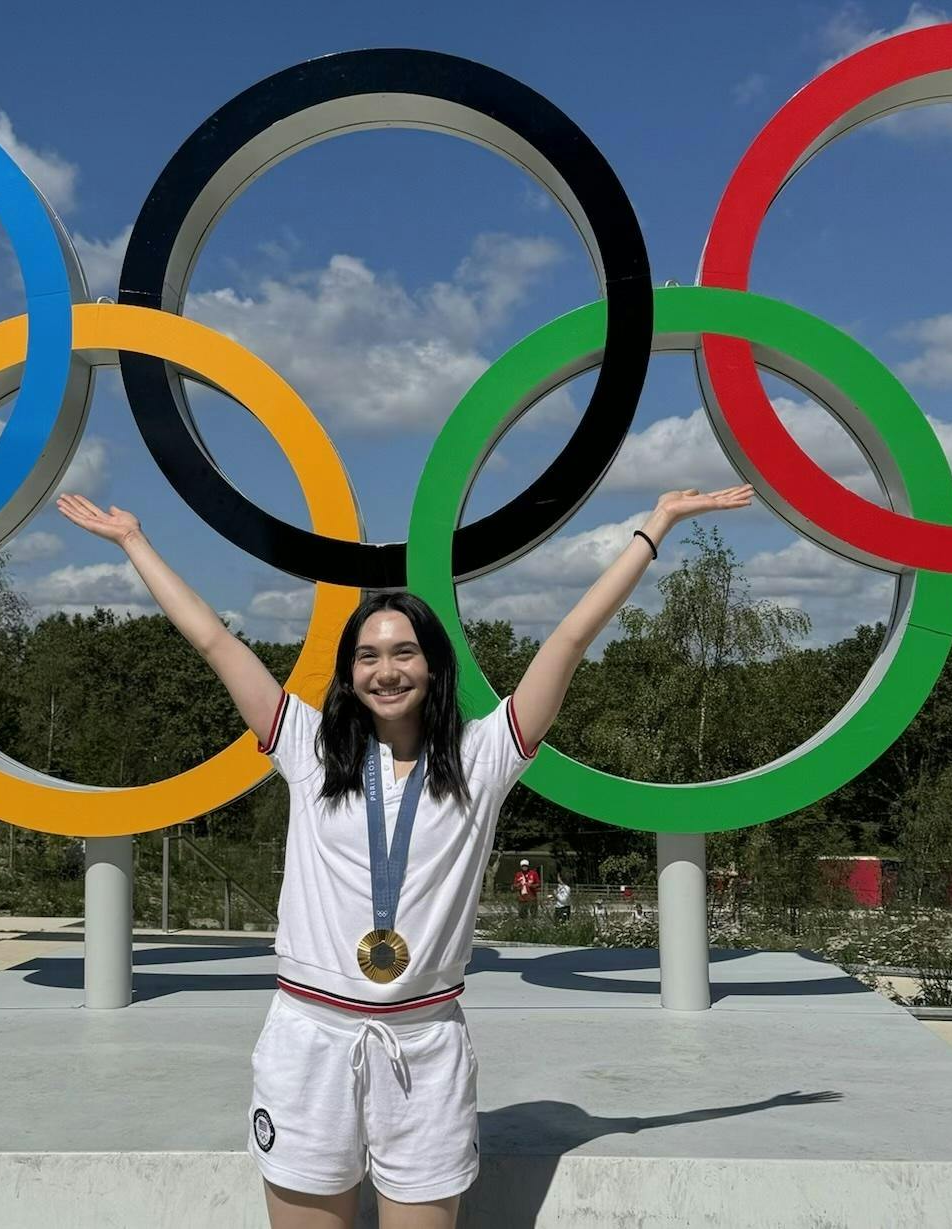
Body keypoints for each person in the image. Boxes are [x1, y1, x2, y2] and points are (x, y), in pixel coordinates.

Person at [56, 482, 752, 1229]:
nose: (385, 669)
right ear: (349, 673)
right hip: (310, 1041)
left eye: (403, 651)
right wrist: (134, 541)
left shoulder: (483, 757)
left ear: (432, 664)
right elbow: (216, 642)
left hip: (423, 1046)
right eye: (367, 655)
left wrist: (655, 526)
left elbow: (569, 641)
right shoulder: (308, 746)